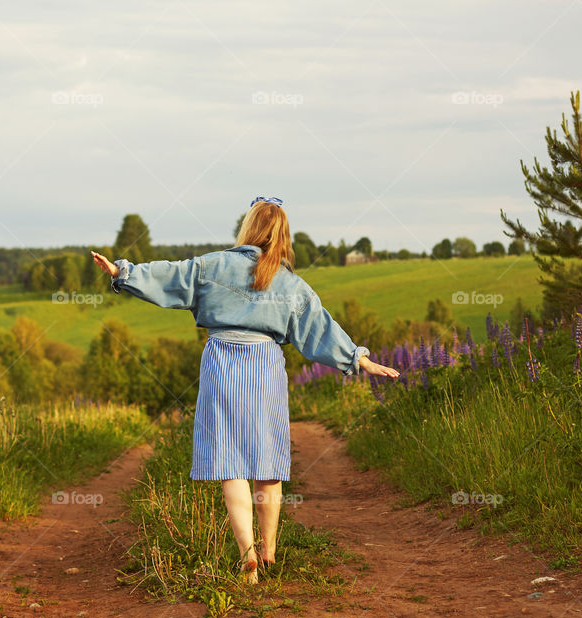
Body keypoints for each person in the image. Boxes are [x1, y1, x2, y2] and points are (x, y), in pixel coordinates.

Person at [91, 196, 398, 584]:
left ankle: (247, 555)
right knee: (267, 464)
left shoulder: (214, 264)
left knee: (230, 462)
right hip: (265, 366)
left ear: (248, 227)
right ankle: (269, 552)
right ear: (283, 236)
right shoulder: (290, 283)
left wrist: (123, 271)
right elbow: (319, 326)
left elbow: (172, 275)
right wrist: (359, 358)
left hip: (221, 362)